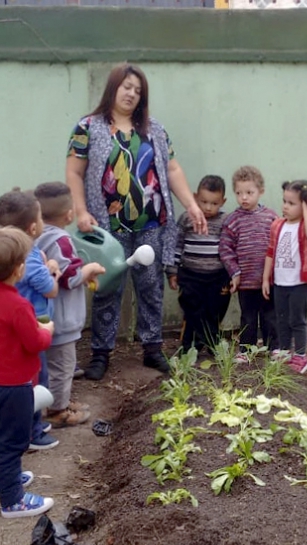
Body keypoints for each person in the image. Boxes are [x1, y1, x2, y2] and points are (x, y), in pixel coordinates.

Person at [65, 62, 207, 381]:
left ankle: (152, 349)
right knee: (107, 289)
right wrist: (81, 210)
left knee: (151, 286)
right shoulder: (88, 127)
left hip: (150, 223)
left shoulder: (153, 128)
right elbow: (74, 172)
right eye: (126, 86)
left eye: (138, 90)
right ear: (113, 88)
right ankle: (101, 353)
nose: (131, 93)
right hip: (106, 226)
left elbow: (172, 169)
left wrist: (191, 204)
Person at [0, 227, 55, 518]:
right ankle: (13, 502)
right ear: (19, 269)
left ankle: (2, 484)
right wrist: (47, 331)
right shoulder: (19, 305)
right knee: (12, 444)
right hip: (13, 389)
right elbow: (34, 343)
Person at [0, 188, 60, 451]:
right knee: (35, 380)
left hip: (16, 326)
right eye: (42, 217)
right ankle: (32, 432)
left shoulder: (7, 252)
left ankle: (34, 425)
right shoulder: (29, 257)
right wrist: (52, 271)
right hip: (31, 327)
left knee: (32, 379)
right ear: (33, 227)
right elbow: (50, 289)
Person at [35, 182, 105, 427]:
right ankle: (58, 411)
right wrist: (91, 269)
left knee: (52, 366)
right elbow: (71, 277)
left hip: (45, 314)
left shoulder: (35, 236)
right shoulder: (61, 239)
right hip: (62, 318)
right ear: (69, 214)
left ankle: (55, 401)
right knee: (63, 366)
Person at [219, 165, 278, 363]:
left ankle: (274, 348)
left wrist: (276, 274)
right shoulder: (232, 220)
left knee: (270, 316)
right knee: (248, 317)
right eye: (239, 193)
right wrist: (234, 273)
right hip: (245, 281)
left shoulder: (271, 218)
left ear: (260, 192)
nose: (244, 197)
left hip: (267, 280)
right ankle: (246, 350)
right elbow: (225, 250)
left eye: (249, 193)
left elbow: (279, 244)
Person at [262, 180, 307, 374]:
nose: (285, 206)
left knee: (298, 320)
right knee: (281, 319)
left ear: (304, 206)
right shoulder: (278, 225)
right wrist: (265, 279)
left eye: (292, 203)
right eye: (284, 201)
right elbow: (270, 252)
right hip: (280, 283)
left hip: (299, 284)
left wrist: (306, 206)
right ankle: (285, 351)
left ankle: (301, 356)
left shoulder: (306, 225)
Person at [166, 175, 230, 354]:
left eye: (214, 203)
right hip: (190, 275)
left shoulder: (226, 222)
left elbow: (230, 249)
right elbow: (177, 246)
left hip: (218, 276)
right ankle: (188, 347)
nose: (208, 207)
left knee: (214, 312)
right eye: (204, 201)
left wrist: (233, 274)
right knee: (192, 310)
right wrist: (172, 272)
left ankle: (212, 344)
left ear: (223, 202)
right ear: (195, 197)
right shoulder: (187, 218)